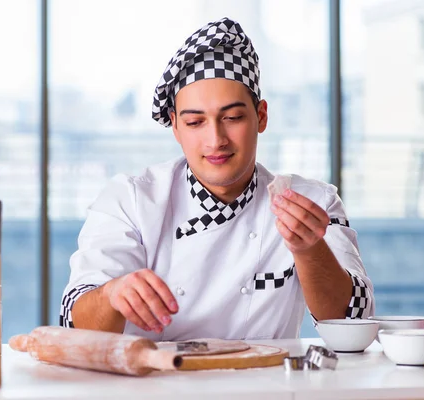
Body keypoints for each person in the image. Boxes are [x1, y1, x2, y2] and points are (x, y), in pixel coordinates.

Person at [59, 17, 375, 341]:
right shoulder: (131, 200)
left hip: (264, 389)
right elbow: (74, 323)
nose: (216, 140)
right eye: (195, 122)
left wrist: (310, 250)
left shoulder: (311, 202)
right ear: (176, 127)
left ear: (261, 117)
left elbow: (354, 323)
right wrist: (113, 294)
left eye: (233, 117)